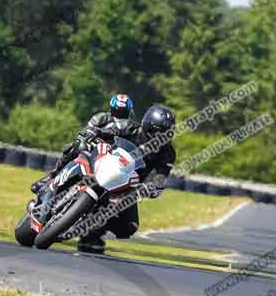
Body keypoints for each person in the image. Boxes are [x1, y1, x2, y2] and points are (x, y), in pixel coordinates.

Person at [31, 95, 177, 254]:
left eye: (167, 133)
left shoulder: (168, 152)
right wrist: (93, 134)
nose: (162, 137)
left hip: (129, 184)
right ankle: (53, 177)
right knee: (77, 146)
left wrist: (154, 186)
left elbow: (161, 173)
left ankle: (90, 231)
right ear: (148, 125)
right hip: (105, 164)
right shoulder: (131, 130)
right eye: (160, 132)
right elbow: (108, 132)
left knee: (129, 227)